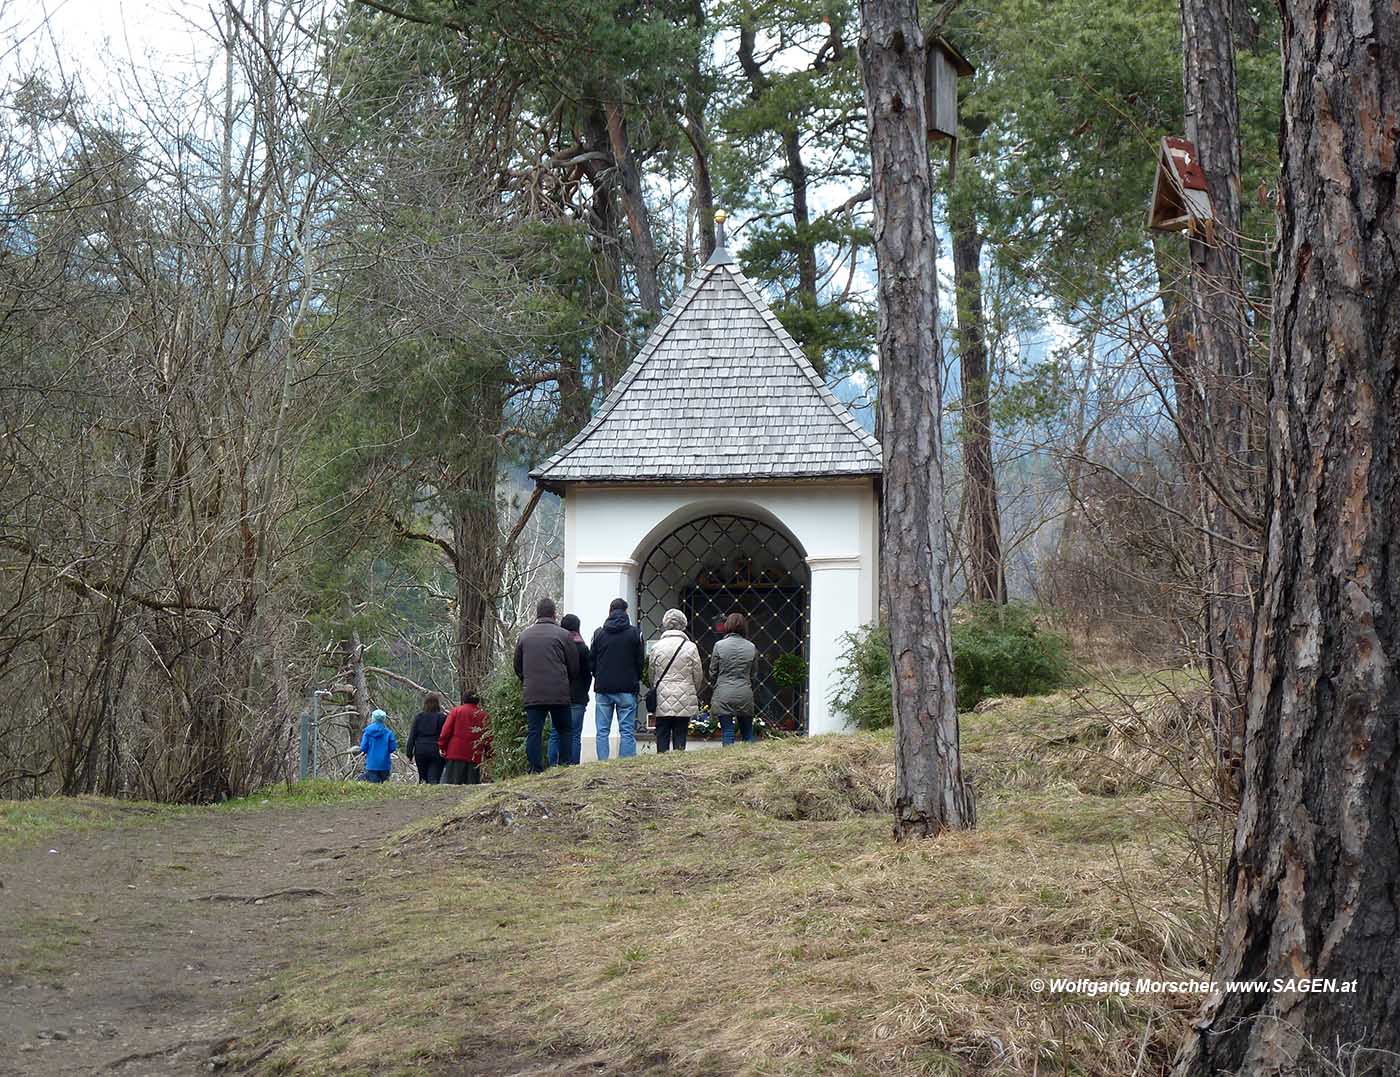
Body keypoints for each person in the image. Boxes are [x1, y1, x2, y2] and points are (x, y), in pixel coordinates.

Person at [514, 597, 580, 773]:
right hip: (558, 691)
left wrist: (527, 679)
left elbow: (517, 665)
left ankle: (535, 768)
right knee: (565, 729)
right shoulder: (564, 635)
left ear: (537, 613)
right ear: (554, 614)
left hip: (533, 692)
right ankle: (564, 765)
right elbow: (574, 665)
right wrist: (567, 681)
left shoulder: (524, 636)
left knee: (534, 731)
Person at [591, 597, 645, 760]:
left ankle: (602, 763)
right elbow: (640, 661)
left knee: (602, 731)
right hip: (627, 688)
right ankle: (626, 763)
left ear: (610, 611)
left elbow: (591, 660)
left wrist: (598, 675)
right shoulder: (635, 633)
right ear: (626, 612)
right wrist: (635, 678)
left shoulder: (599, 633)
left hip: (603, 688)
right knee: (627, 729)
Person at [647, 609, 704, 753]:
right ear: (683, 625)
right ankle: (678, 763)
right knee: (680, 732)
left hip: (662, 696)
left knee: (662, 732)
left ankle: (662, 761)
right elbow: (698, 674)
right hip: (684, 694)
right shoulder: (690, 647)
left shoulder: (656, 647)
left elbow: (651, 674)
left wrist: (655, 686)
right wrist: (692, 688)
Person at [549, 614, 591, 766]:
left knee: (555, 733)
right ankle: (572, 765)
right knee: (574, 735)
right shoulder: (583, 648)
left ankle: (553, 765)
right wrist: (584, 692)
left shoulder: (557, 647)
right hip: (578, 697)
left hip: (558, 695)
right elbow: (588, 674)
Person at [710, 612, 758, 746]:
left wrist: (717, 686)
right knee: (747, 732)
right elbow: (754, 673)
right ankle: (749, 761)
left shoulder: (719, 646)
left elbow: (713, 671)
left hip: (724, 692)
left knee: (727, 731)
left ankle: (728, 762)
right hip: (744, 692)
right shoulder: (751, 647)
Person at [439, 691, 491, 784]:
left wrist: (442, 746)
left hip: (455, 752)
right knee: (472, 787)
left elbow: (446, 731)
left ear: (463, 699)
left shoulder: (456, 711)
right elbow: (488, 736)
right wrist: (488, 752)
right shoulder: (484, 715)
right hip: (475, 754)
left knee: (452, 785)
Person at [405, 693, 447, 783]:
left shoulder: (419, 717)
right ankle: (433, 792)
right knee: (434, 776)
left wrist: (409, 753)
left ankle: (423, 793)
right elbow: (445, 735)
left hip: (420, 749)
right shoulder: (442, 717)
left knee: (423, 777)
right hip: (436, 749)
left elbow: (412, 736)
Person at [353, 709, 397, 782]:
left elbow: (363, 748)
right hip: (384, 764)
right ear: (384, 719)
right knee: (384, 786)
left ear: (373, 719)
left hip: (371, 764)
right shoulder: (388, 733)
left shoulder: (367, 733)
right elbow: (392, 748)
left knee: (373, 786)